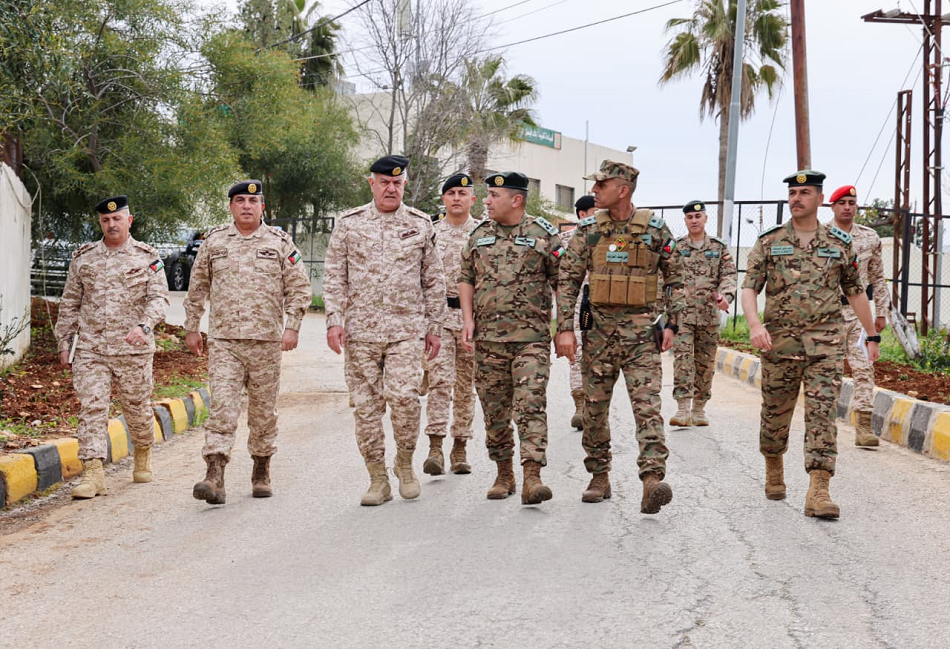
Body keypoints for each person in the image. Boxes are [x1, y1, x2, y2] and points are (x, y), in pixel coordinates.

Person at [742, 170, 880, 520]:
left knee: (822, 414)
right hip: (779, 344)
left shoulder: (839, 243)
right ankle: (774, 465)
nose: (796, 198)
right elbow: (750, 288)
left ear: (819, 199)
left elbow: (855, 292)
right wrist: (754, 324)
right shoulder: (770, 241)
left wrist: (871, 335)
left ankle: (819, 489)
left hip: (825, 345)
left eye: (804, 193)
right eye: (792, 193)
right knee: (775, 413)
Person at [556, 160, 685, 512]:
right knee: (594, 411)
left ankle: (651, 480)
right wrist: (564, 328)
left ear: (623, 190)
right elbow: (567, 280)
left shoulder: (654, 230)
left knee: (648, 409)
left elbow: (676, 279)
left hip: (642, 338)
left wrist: (672, 324)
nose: (594, 190)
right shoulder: (588, 231)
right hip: (598, 337)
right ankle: (599, 476)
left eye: (601, 185)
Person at [323, 155, 446, 506]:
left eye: (397, 182)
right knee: (366, 409)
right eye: (384, 182)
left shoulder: (420, 224)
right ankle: (377, 478)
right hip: (360, 333)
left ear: (404, 184)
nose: (391, 188)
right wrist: (334, 320)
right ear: (372, 183)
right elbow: (334, 275)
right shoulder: (349, 224)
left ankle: (404, 462)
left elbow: (433, 279)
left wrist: (435, 327)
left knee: (405, 398)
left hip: (406, 330)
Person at [184, 180, 311, 505]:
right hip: (225, 342)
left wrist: (293, 327)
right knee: (222, 409)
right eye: (240, 200)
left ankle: (261, 469)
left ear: (262, 207)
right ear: (231, 206)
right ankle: (214, 475)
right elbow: (197, 287)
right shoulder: (214, 242)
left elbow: (299, 288)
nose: (246, 206)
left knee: (263, 412)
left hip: (266, 342)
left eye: (253, 201)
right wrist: (192, 327)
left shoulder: (279, 243)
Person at [54, 195, 169, 499]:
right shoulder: (84, 258)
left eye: (117, 219)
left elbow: (159, 299)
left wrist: (144, 326)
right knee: (92, 407)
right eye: (105, 220)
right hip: (92, 349)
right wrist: (64, 342)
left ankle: (143, 450)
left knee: (137, 408)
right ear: (100, 223)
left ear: (129, 221)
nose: (111, 224)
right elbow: (70, 303)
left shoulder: (147, 256)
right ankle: (93, 473)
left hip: (133, 349)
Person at [459, 171, 560, 505]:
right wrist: (468, 320)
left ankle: (533, 476)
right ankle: (504, 473)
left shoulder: (543, 235)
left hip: (531, 339)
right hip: (488, 341)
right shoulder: (478, 235)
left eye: (493, 196)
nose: (486, 201)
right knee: (495, 411)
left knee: (531, 405)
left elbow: (562, 281)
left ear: (516, 200)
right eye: (488, 195)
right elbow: (465, 277)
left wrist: (563, 328)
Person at [422, 173, 479, 476]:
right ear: (444, 199)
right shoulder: (430, 232)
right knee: (439, 381)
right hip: (439, 318)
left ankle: (460, 447)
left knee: (466, 386)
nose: (457, 198)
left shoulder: (483, 233)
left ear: (473, 199)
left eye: (462, 193)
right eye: (451, 193)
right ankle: (435, 446)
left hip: (473, 319)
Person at [829, 184, 890, 447]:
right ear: (832, 206)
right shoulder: (821, 235)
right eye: (842, 203)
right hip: (828, 314)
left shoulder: (870, 237)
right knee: (827, 372)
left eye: (851, 203)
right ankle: (824, 426)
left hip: (859, 314)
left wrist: (881, 313)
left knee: (864, 368)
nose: (847, 207)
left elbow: (878, 277)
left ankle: (864, 427)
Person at [668, 200, 737, 427]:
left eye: (698, 216)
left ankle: (699, 409)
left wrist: (726, 296)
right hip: (683, 316)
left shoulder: (718, 247)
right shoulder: (677, 247)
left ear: (705, 218)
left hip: (709, 316)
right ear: (685, 220)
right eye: (690, 217)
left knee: (705, 364)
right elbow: (666, 277)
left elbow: (729, 275)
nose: (694, 220)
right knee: (683, 360)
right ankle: (682, 410)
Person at [561, 195, 596, 430]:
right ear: (582, 214)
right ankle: (580, 405)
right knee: (577, 354)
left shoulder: (612, 238)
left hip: (604, 304)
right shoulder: (564, 240)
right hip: (576, 304)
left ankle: (597, 407)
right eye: (595, 211)